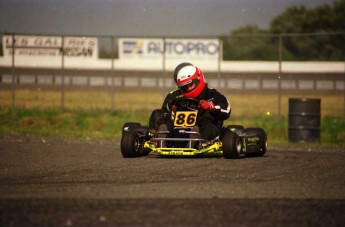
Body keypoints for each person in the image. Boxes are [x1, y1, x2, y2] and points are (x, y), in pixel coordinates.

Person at [149, 62, 231, 143]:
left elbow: (226, 110)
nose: (188, 89)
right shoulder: (176, 95)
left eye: (190, 85)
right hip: (179, 127)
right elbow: (165, 110)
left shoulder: (212, 95)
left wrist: (211, 107)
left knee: (209, 127)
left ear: (198, 79)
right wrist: (172, 109)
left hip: (204, 125)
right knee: (157, 114)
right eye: (184, 87)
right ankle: (160, 137)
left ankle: (197, 140)